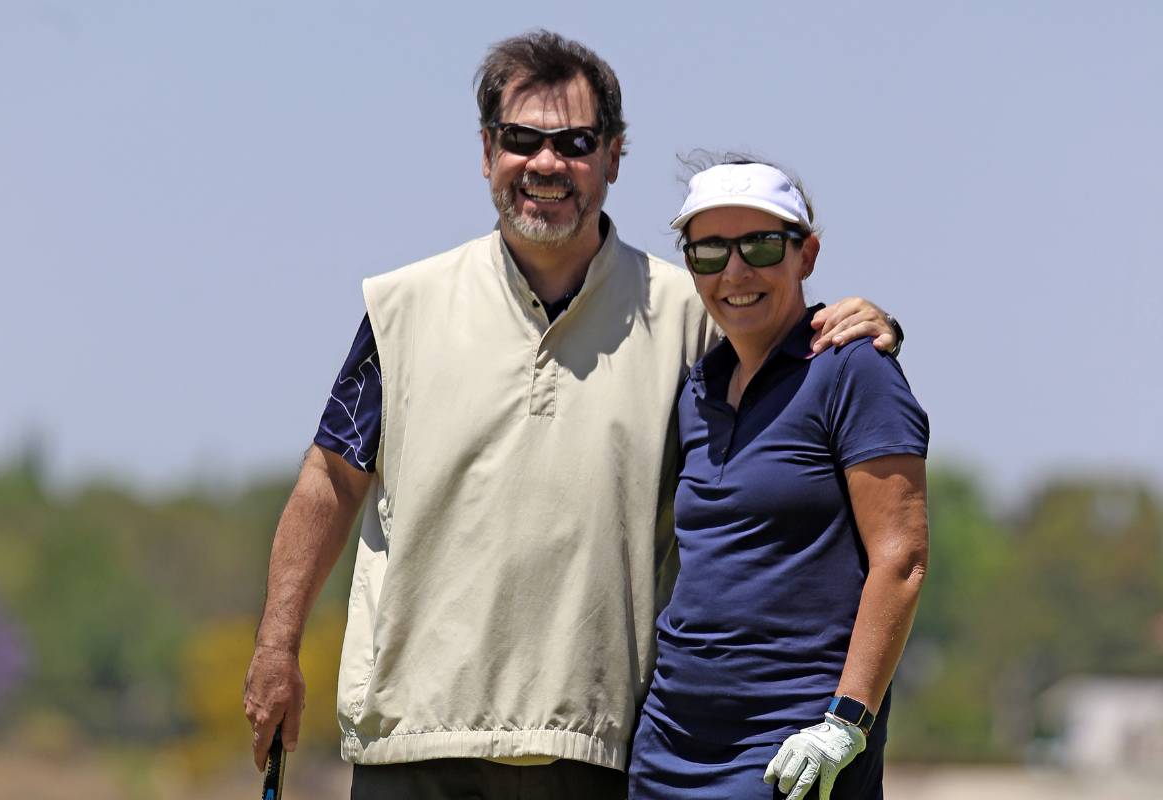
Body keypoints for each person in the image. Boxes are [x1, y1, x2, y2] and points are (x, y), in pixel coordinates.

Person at [243, 32, 902, 799]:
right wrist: (276, 644)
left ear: (615, 156)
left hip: (597, 744)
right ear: (487, 152)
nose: (547, 164)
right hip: (413, 737)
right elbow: (330, 478)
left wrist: (874, 323)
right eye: (522, 139)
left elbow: (784, 325)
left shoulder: (693, 311)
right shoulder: (403, 307)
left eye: (575, 142)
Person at [627, 159, 929, 800]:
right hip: (670, 745)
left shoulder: (855, 370)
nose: (734, 271)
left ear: (807, 254)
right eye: (709, 251)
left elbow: (900, 559)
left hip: (795, 746)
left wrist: (846, 722)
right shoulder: (697, 385)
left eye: (760, 246)